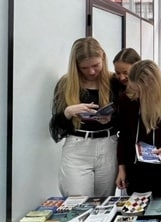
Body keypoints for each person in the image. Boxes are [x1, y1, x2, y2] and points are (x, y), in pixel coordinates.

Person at [50, 37, 120, 197]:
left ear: (103, 58)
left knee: (104, 202)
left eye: (96, 65)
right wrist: (68, 112)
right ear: (76, 65)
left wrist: (112, 119)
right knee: (77, 201)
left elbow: (128, 120)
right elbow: (56, 129)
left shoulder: (113, 82)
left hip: (108, 145)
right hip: (77, 146)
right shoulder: (66, 84)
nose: (91, 72)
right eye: (84, 68)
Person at [115, 60, 161, 197]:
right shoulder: (127, 100)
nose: (137, 95)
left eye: (141, 91)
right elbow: (124, 136)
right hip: (135, 170)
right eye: (134, 89)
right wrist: (121, 168)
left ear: (153, 87)